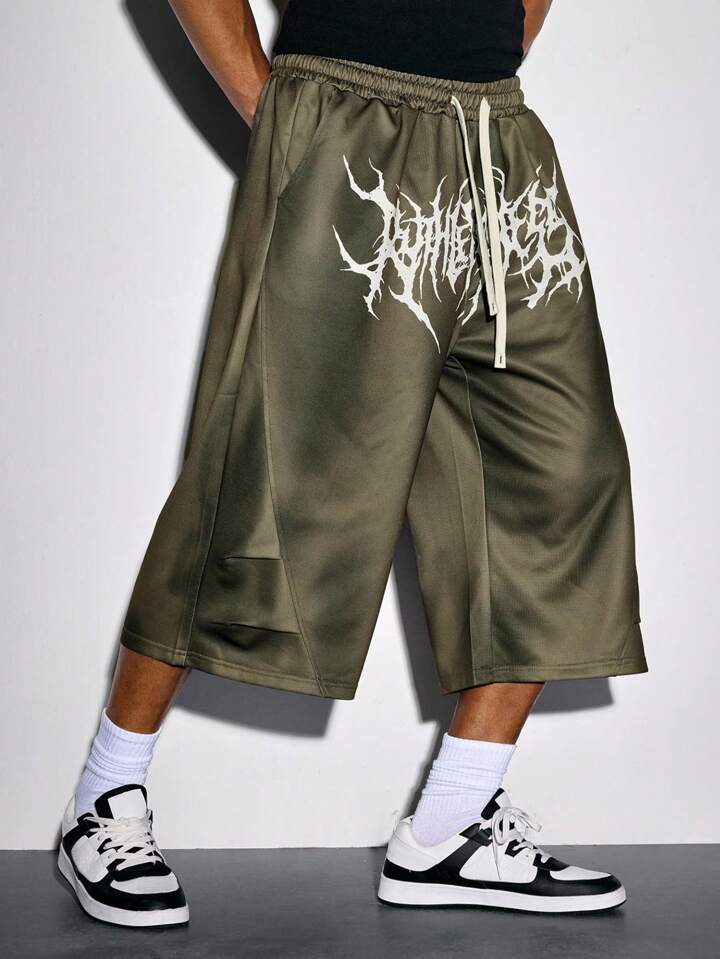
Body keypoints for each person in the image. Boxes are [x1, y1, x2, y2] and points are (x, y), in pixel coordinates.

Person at [58, 0, 647, 927]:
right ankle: (105, 792)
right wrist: (275, 108)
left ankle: (450, 823)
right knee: (261, 478)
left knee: (562, 475)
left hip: (499, 140)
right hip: (344, 126)